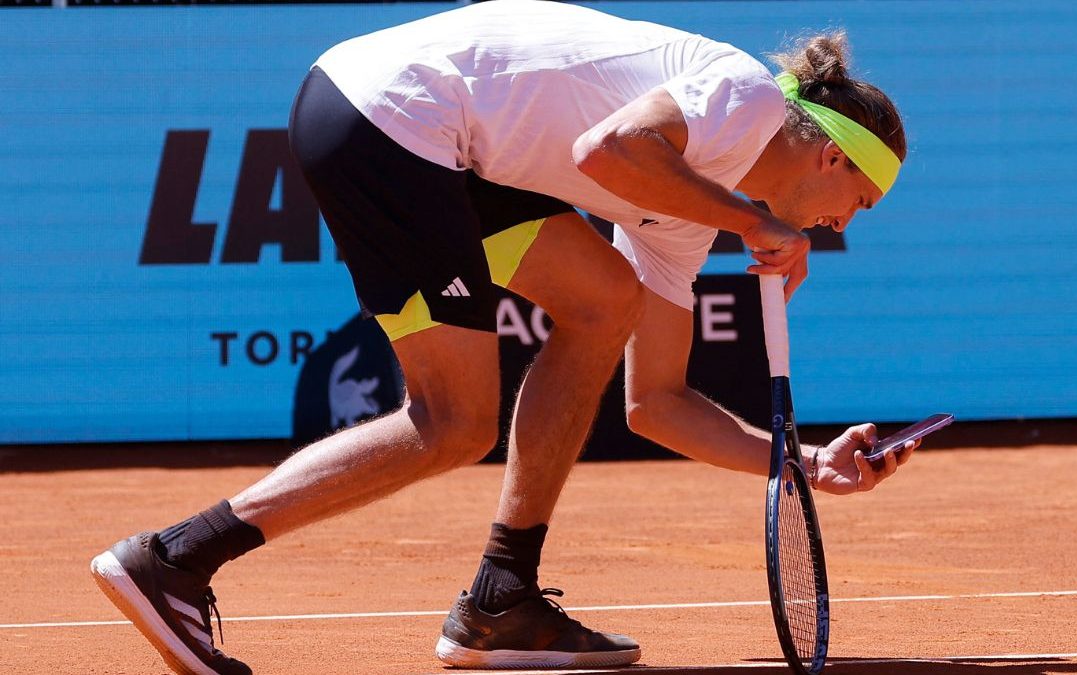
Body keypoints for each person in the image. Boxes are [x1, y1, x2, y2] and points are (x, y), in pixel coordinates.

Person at [89, 2, 913, 673]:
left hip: (446, 147)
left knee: (603, 300)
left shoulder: (687, 215)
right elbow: (611, 148)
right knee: (452, 421)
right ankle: (177, 558)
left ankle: (501, 597)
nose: (843, 224)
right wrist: (753, 221)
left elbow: (655, 402)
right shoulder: (749, 98)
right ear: (834, 160)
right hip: (391, 118)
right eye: (859, 202)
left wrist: (801, 464)